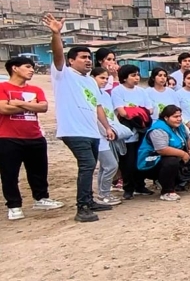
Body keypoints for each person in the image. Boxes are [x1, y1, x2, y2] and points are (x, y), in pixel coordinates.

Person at [43, 13, 116, 222]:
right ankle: (82, 207)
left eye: (89, 57)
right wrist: (56, 34)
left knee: (91, 165)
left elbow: (98, 106)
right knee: (86, 165)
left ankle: (89, 200)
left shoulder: (91, 82)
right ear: (71, 60)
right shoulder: (63, 74)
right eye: (82, 57)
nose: (87, 60)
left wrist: (107, 127)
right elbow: (57, 56)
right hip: (73, 131)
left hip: (91, 131)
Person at [0, 56, 63, 220]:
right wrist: (29, 105)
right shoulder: (3, 87)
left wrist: (16, 103)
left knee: (38, 171)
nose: (31, 70)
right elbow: (4, 109)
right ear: (14, 68)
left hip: (35, 136)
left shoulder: (36, 89)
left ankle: (41, 198)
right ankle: (14, 205)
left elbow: (43, 107)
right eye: (27, 66)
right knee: (9, 173)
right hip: (8, 137)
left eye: (32, 67)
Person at [111, 64, 155, 200]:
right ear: (124, 78)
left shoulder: (142, 91)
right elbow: (123, 113)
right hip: (127, 131)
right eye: (133, 75)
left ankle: (140, 185)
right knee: (127, 162)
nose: (137, 78)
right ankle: (128, 188)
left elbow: (150, 110)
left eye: (137, 75)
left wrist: (136, 112)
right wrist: (139, 111)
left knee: (140, 158)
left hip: (141, 130)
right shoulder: (118, 91)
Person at [137, 105, 190, 201]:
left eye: (180, 116)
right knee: (172, 161)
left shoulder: (180, 126)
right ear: (166, 118)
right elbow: (161, 149)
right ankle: (167, 191)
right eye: (175, 117)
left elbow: (188, 139)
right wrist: (183, 154)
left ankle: (175, 184)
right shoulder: (158, 129)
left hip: (168, 157)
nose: (179, 119)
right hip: (150, 161)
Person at [91, 67, 124, 207]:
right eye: (101, 78)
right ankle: (104, 194)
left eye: (106, 78)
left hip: (109, 133)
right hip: (98, 135)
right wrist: (106, 129)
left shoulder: (105, 95)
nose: (104, 81)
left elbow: (110, 114)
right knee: (111, 165)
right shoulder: (90, 94)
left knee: (106, 166)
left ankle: (102, 193)